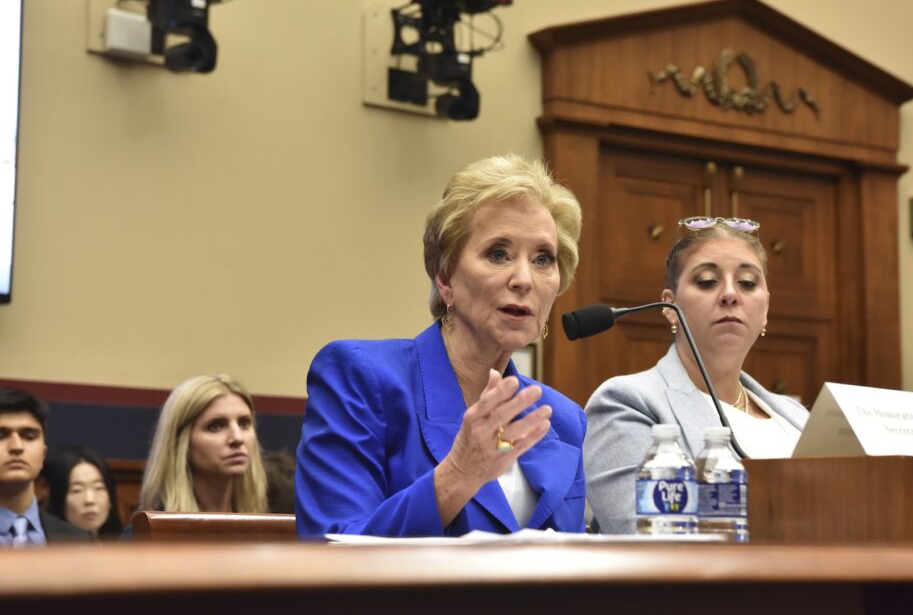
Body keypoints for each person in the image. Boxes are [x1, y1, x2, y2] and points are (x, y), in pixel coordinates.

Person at [296, 154, 586, 538]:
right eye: (498, 253)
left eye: (543, 259)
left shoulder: (564, 420)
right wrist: (457, 475)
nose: (523, 279)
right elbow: (330, 551)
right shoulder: (361, 378)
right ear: (445, 277)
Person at [583, 216, 810, 534]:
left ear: (766, 308)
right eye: (706, 281)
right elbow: (647, 543)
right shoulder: (626, 403)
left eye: (747, 282)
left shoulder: (797, 416)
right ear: (668, 305)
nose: (731, 294)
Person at [138, 374, 267, 514]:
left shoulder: (266, 529)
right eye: (216, 426)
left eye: (244, 423)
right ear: (182, 443)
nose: (237, 438)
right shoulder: (147, 533)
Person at [0, 388, 91, 546]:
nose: (17, 446)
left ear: (43, 453)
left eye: (29, 436)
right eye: (1, 435)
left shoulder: (79, 541)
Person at [42, 446, 123, 539]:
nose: (90, 500)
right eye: (77, 490)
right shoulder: (40, 547)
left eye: (98, 488)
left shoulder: (127, 547)